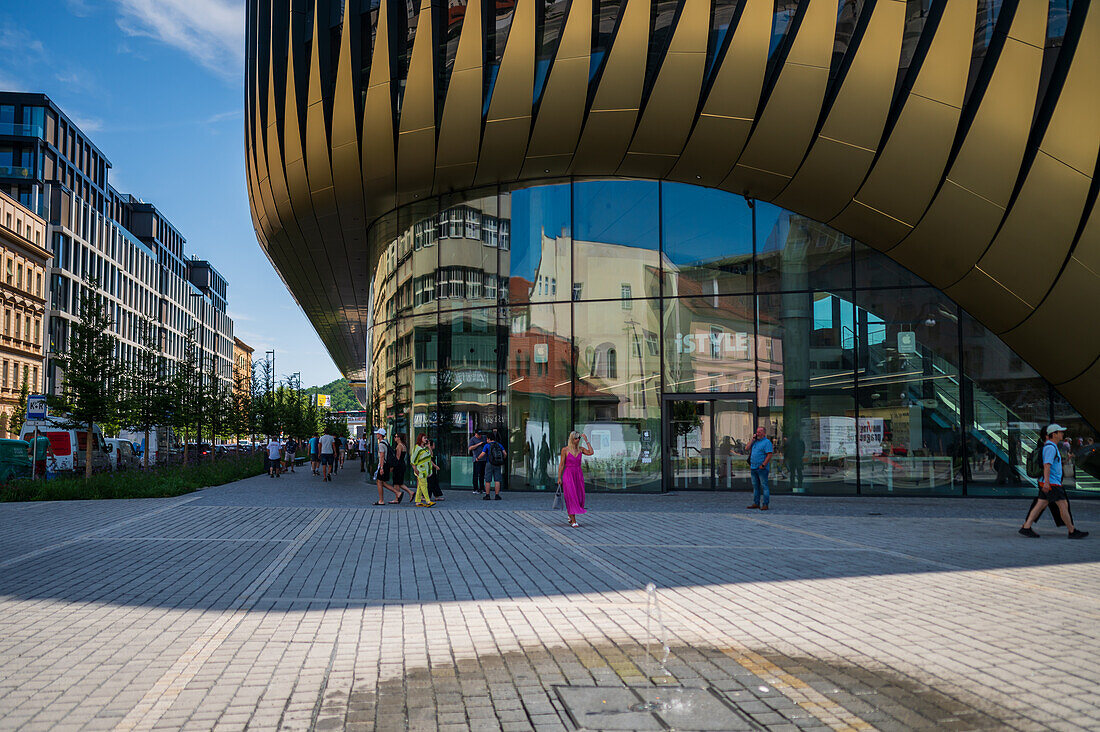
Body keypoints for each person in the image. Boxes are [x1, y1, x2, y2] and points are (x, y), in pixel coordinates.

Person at [1020, 424, 1088, 539]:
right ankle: (1072, 531)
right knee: (1063, 505)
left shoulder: (1052, 447)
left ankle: (1026, 527)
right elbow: (1047, 466)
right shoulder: (1050, 448)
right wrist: (1047, 483)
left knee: (1041, 504)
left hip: (1049, 482)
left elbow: (1053, 464)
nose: (1062, 434)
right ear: (1053, 434)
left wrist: (1066, 460)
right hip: (1052, 483)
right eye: (1060, 432)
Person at [558, 431, 593, 528]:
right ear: (572, 439)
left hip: (578, 475)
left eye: (579, 438)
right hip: (568, 475)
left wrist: (586, 440)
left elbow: (591, 452)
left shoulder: (581, 449)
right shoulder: (565, 450)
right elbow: (561, 465)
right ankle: (573, 520)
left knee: (579, 496)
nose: (577, 440)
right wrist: (559, 478)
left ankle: (570, 514)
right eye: (576, 438)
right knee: (571, 496)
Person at [747, 426, 773, 510]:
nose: (758, 433)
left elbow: (769, 455)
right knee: (755, 487)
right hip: (753, 467)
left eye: (760, 431)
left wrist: (763, 465)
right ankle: (756, 503)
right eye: (757, 432)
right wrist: (752, 439)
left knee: (764, 486)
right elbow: (746, 448)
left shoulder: (767, 442)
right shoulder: (755, 442)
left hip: (761, 468)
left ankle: (765, 504)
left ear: (764, 433)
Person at [478, 430, 507, 500]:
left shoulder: (487, 445)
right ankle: (497, 495)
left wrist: (478, 458)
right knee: (497, 480)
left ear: (488, 438)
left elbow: (483, 454)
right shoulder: (499, 444)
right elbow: (505, 453)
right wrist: (502, 459)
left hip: (489, 463)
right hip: (497, 463)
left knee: (488, 480)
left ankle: (487, 495)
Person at [410, 434, 436, 507]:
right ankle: (428, 501)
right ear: (420, 439)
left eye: (426, 438)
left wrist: (428, 446)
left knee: (420, 486)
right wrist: (415, 469)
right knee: (424, 485)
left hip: (425, 469)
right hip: (420, 469)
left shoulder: (425, 448)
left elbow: (431, 455)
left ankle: (417, 501)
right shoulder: (417, 448)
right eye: (424, 438)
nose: (426, 439)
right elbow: (413, 459)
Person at [389, 433, 414, 503]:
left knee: (397, 482)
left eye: (396, 436)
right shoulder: (403, 445)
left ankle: (408, 493)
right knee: (398, 483)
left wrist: (393, 466)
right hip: (402, 464)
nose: (394, 438)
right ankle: (398, 497)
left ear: (399, 438)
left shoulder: (399, 446)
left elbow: (397, 457)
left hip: (398, 465)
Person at [469, 429, 487, 494]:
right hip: (477, 459)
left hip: (484, 458)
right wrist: (478, 444)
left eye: (480, 434)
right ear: (475, 434)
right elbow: (470, 448)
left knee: (482, 474)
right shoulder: (472, 439)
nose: (480, 436)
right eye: (478, 434)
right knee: (476, 474)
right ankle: (475, 488)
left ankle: (482, 488)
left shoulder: (484, 437)